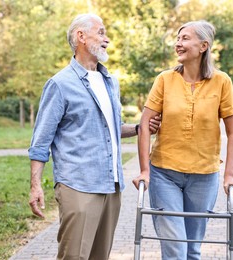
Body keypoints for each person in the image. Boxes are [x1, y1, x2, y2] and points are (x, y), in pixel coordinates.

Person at [28, 13, 160, 260]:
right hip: (78, 185)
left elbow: (111, 127)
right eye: (101, 32)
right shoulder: (60, 84)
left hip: (111, 185)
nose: (106, 39)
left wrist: (140, 128)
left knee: (100, 256)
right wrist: (35, 185)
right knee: (74, 256)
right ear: (80, 36)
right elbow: (40, 141)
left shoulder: (109, 81)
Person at [133, 20, 233, 260]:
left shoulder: (222, 82)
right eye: (178, 38)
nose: (178, 44)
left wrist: (229, 175)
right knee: (175, 249)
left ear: (203, 46)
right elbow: (144, 124)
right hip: (164, 173)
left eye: (185, 38)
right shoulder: (164, 80)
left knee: (192, 249)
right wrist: (144, 170)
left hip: (205, 176)